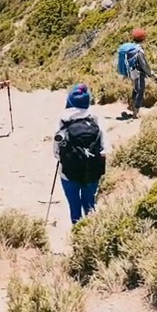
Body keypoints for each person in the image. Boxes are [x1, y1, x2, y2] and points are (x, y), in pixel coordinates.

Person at [53, 83, 109, 224]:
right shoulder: (95, 120)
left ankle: (77, 231)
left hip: (68, 173)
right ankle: (92, 233)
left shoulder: (63, 121)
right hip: (92, 170)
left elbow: (56, 151)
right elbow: (105, 148)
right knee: (89, 204)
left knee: (74, 206)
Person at [116, 28, 153, 119]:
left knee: (136, 88)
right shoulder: (138, 50)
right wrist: (150, 73)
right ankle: (135, 112)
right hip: (138, 73)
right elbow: (143, 64)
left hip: (131, 72)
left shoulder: (131, 48)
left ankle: (132, 106)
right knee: (140, 90)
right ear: (143, 39)